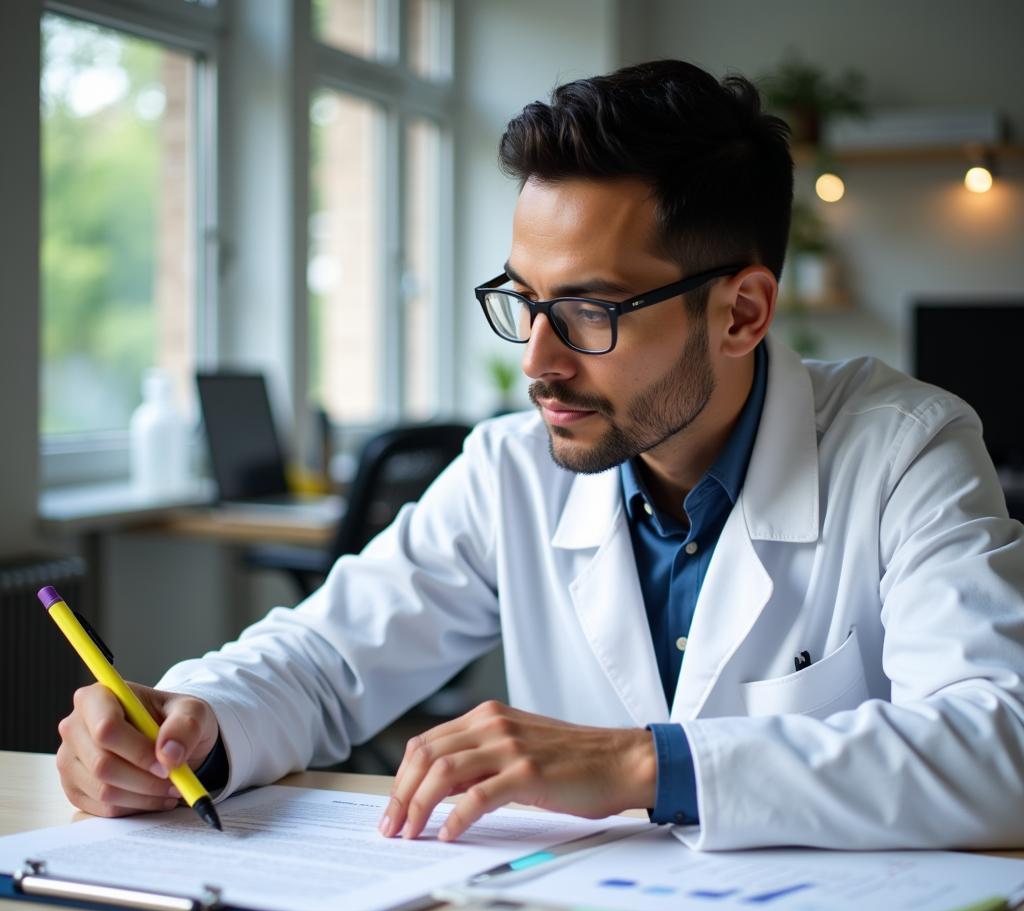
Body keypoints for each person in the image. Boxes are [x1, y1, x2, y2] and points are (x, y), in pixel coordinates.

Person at [56, 60, 1024, 851]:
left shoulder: (906, 449)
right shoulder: (510, 468)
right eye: (525, 299)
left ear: (741, 312)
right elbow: (323, 660)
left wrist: (643, 763)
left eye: (589, 311)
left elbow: (1003, 745)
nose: (537, 360)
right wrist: (194, 722)